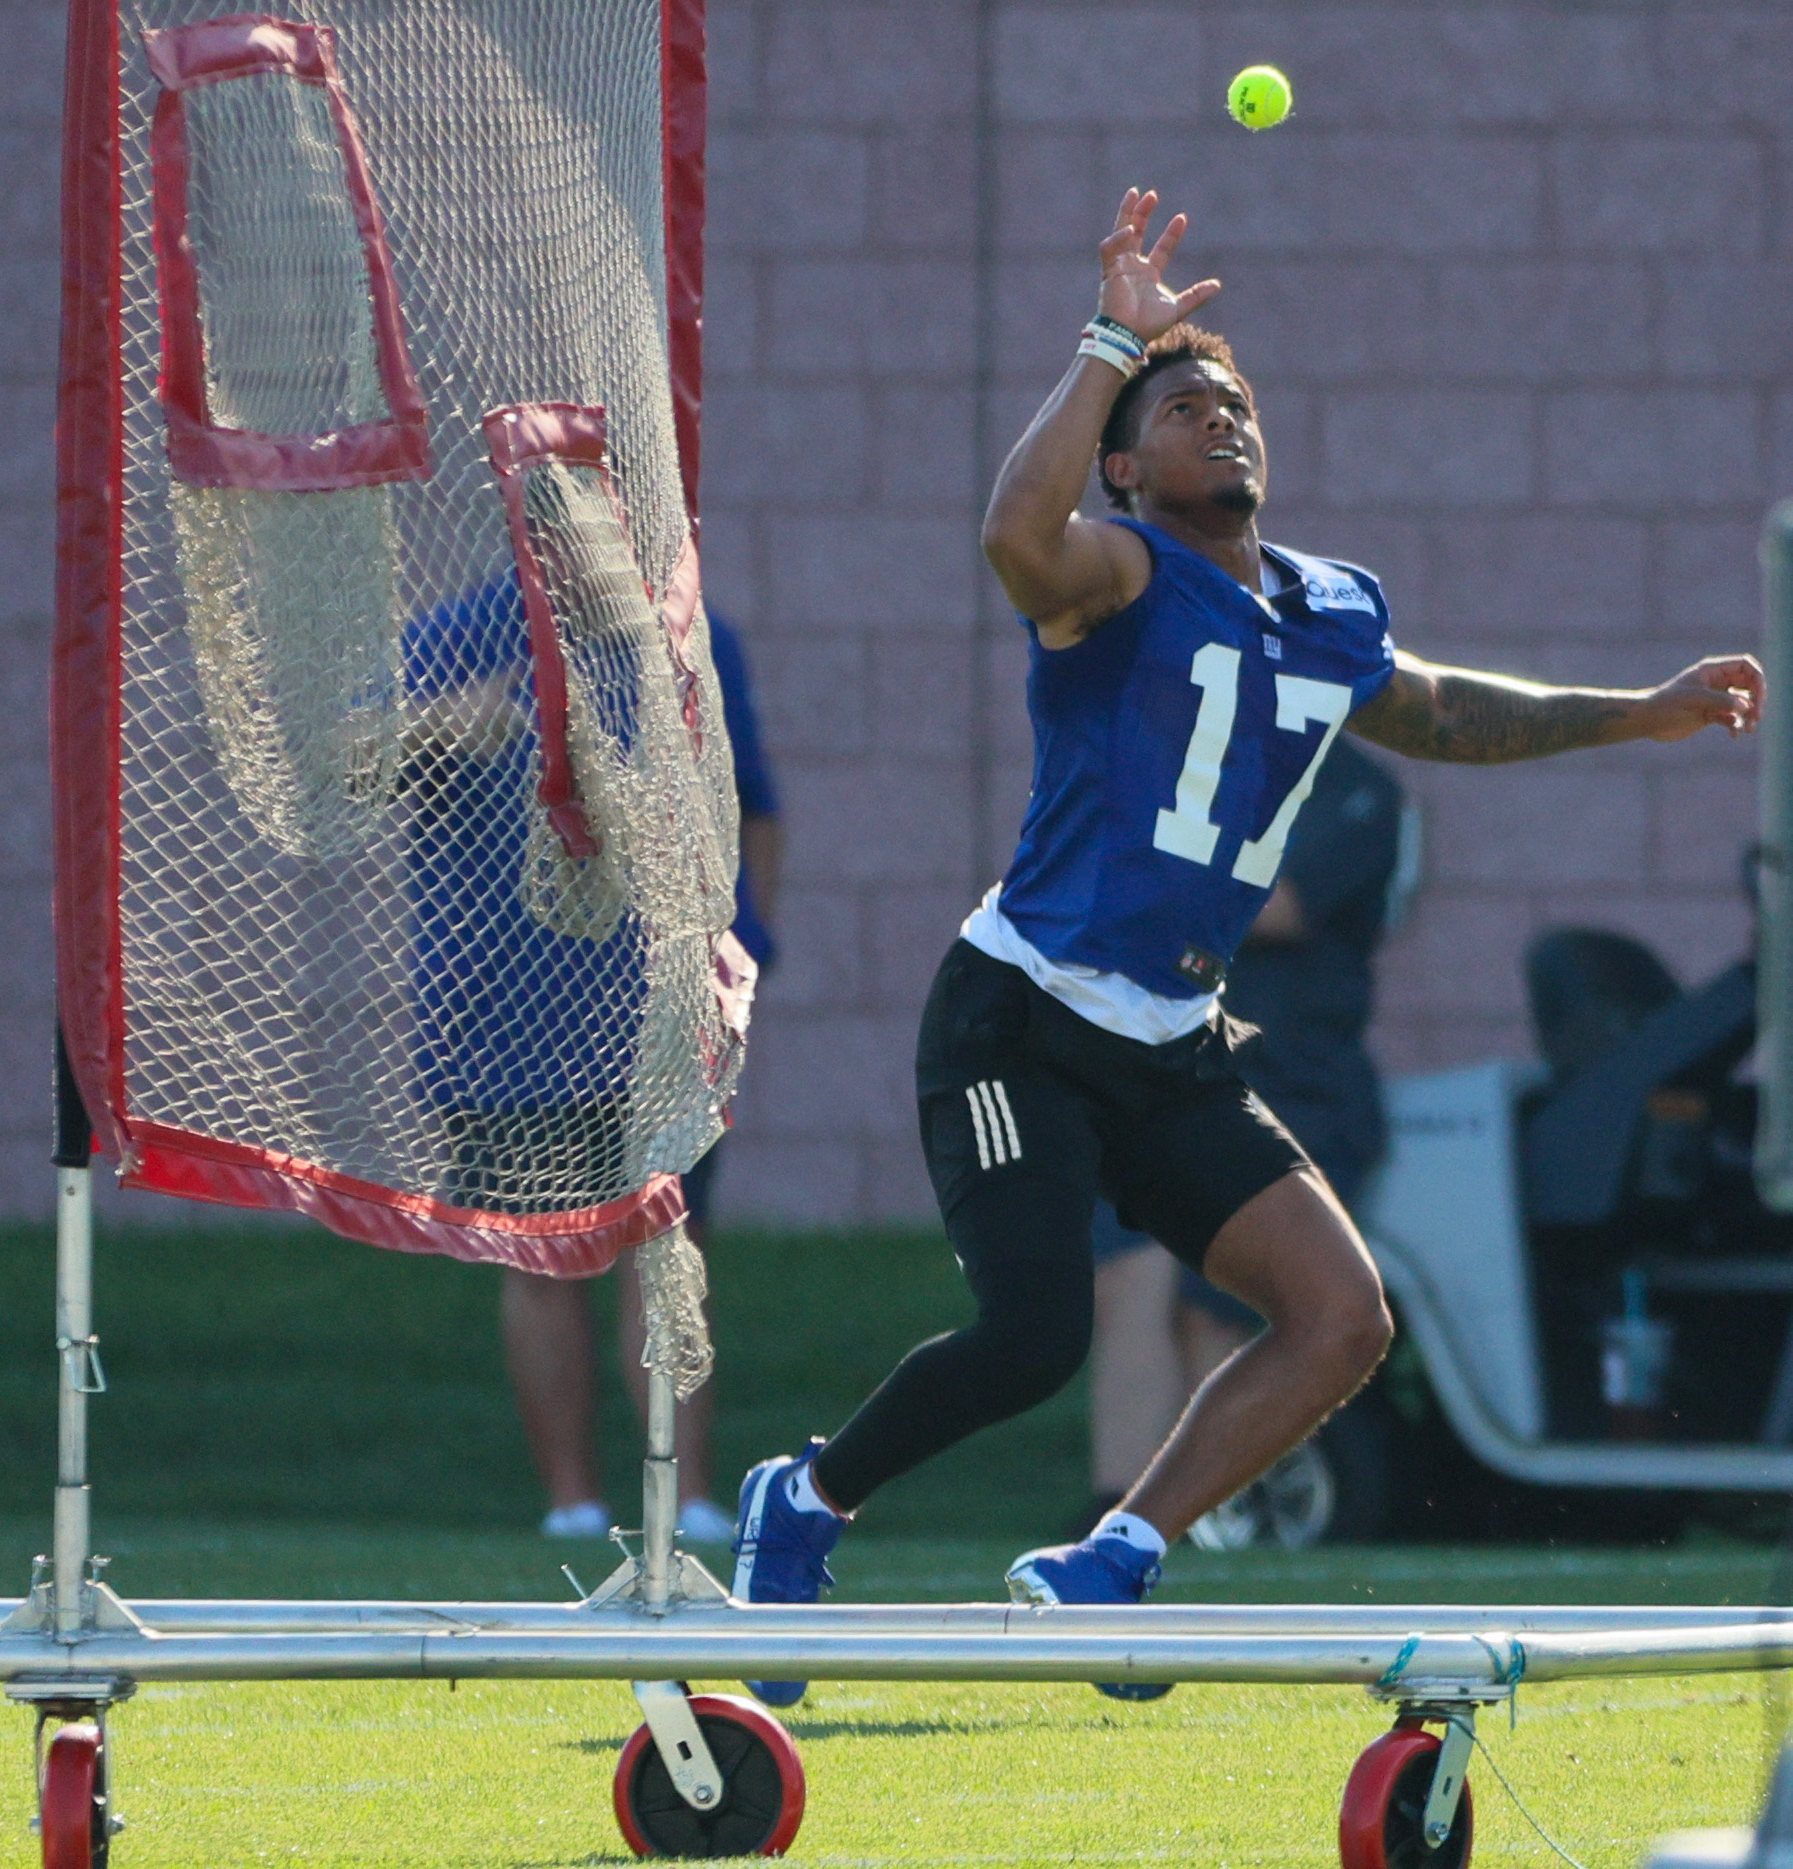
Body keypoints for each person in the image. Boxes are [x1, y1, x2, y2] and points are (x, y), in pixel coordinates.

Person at [729, 187, 1763, 1707]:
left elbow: (1441, 711)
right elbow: (1015, 532)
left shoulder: (1324, 611)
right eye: (1182, 408)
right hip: (1019, 1016)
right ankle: (802, 1504)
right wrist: (1106, 342)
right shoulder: (1118, 577)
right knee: (1030, 1338)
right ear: (1127, 468)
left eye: (1232, 401)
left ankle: (1109, 1563)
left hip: (1168, 1039)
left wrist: (1637, 709)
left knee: (1343, 1314)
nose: (1219, 419)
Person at [499, 608, 783, 1541]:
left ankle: (685, 1492)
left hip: (663, 1010)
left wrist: (748, 950)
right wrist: (447, 721)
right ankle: (570, 1503)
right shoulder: (462, 631)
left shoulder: (697, 639)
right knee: (543, 1252)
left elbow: (755, 807)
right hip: (512, 1013)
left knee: (668, 1245)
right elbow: (353, 747)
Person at [1084, 737, 1407, 1539]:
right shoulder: (1191, 771)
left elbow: (1282, 907)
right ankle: (1108, 1515)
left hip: (1295, 1083)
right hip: (1167, 1071)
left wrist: (1147, 889)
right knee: (1128, 1279)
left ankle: (1212, 1515)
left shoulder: (1356, 787)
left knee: (1219, 1301)